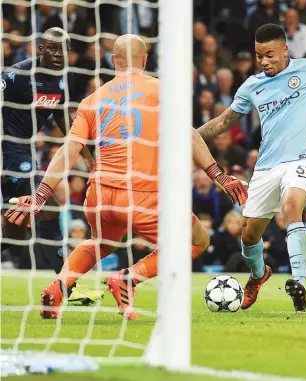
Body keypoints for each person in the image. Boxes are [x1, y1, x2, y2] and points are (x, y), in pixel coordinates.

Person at [5, 34, 248, 320]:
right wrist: (219, 175)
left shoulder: (92, 100)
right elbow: (188, 134)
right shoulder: (162, 90)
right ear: (145, 61)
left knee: (101, 242)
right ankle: (129, 278)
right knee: (197, 241)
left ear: (113, 61)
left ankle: (59, 285)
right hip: (143, 195)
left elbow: (69, 150)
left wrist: (41, 194)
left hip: (100, 196)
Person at [197, 23, 306, 312]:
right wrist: (191, 135)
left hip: (302, 158)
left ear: (284, 50)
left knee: (292, 205)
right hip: (266, 167)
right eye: (259, 56)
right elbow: (223, 122)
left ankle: (299, 284)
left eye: (269, 54)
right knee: (249, 234)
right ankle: (259, 276)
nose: (264, 61)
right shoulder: (253, 86)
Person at [1, 27, 101, 304]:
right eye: (52, 48)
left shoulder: (59, 80)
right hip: (8, 150)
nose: (58, 54)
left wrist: (89, 157)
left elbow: (62, 120)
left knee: (15, 228)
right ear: (40, 49)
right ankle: (68, 285)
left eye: (63, 49)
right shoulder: (16, 76)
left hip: (24, 150)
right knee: (47, 209)